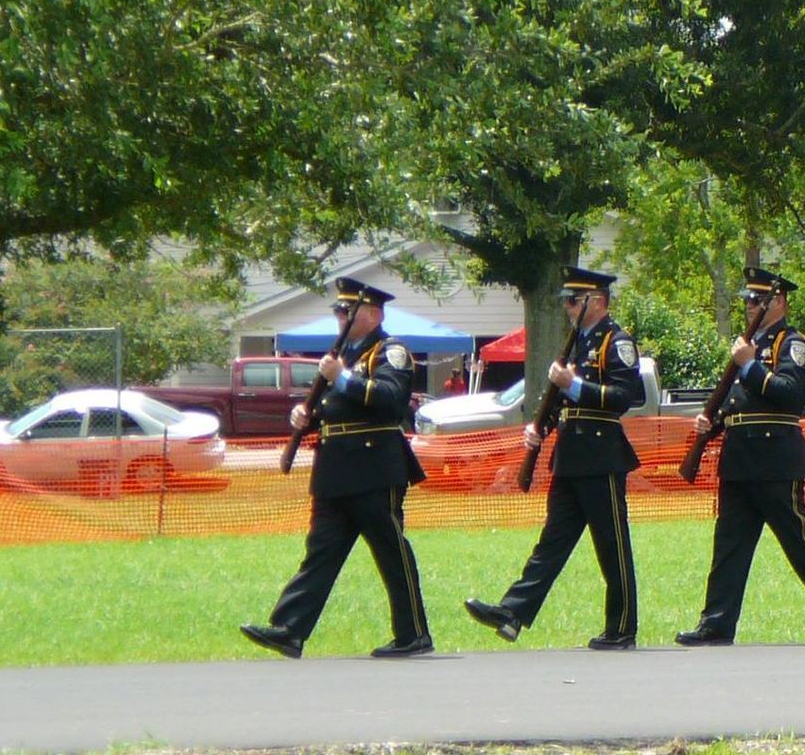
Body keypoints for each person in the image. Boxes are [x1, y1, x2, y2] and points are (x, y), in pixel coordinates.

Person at [241, 278, 432, 659]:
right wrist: (307, 416)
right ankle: (290, 629)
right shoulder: (341, 354)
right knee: (320, 552)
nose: (341, 316)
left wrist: (342, 378)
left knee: (391, 553)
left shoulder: (390, 351)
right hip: (335, 470)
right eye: (339, 311)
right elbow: (335, 408)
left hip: (374, 467)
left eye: (348, 311)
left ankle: (413, 634)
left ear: (374, 314)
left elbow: (391, 401)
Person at [675, 268, 805, 646]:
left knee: (798, 540)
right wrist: (715, 421)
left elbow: (789, 393)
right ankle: (717, 621)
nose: (750, 306)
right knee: (729, 545)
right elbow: (742, 401)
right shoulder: (750, 345)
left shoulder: (792, 344)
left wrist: (749, 364)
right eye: (747, 300)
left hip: (776, 458)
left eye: (757, 300)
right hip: (740, 458)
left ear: (779, 302)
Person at [463, 267, 643, 650]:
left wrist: (574, 384)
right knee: (552, 543)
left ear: (597, 301)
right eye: (566, 301)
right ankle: (513, 612)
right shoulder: (577, 343)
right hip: (571, 455)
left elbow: (626, 396)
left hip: (601, 455)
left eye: (574, 301)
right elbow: (560, 399)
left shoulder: (617, 341)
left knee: (612, 545)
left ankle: (622, 626)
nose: (567, 308)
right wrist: (541, 427)